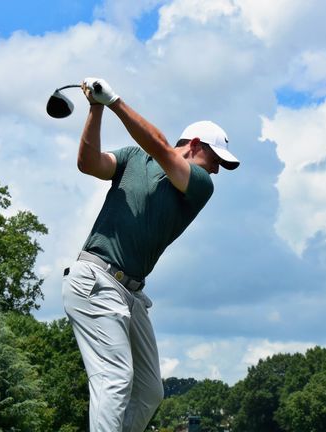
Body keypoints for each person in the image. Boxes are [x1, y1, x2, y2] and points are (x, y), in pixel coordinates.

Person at [62, 77, 240, 431]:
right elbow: (89, 163)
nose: (218, 168)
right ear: (193, 144)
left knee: (148, 390)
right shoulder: (132, 159)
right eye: (215, 157)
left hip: (130, 294)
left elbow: (159, 147)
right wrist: (95, 108)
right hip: (95, 281)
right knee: (114, 378)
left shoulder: (200, 186)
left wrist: (114, 101)